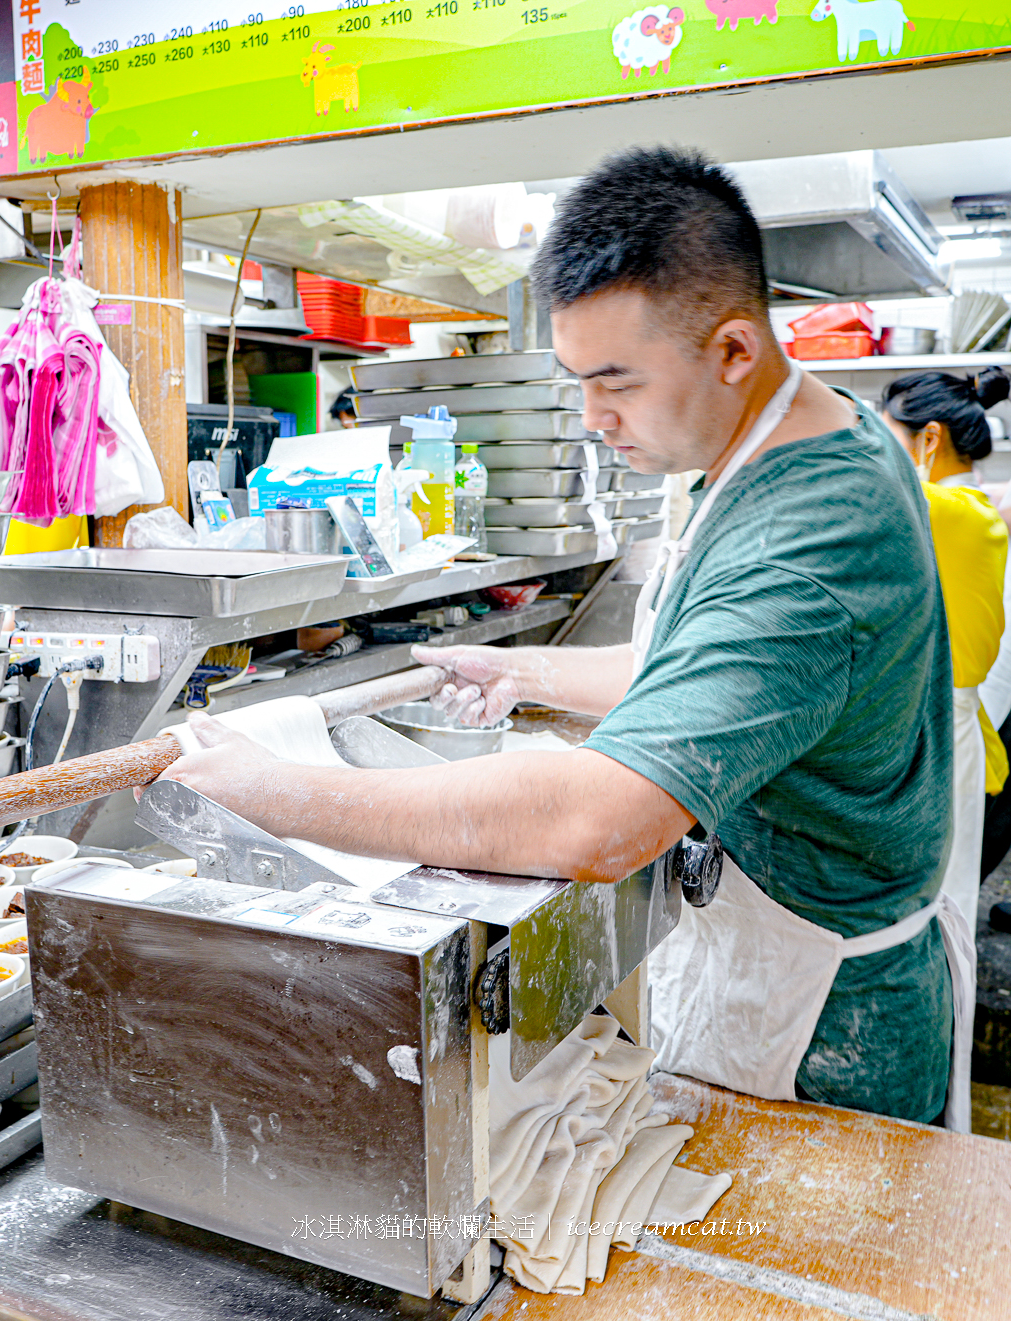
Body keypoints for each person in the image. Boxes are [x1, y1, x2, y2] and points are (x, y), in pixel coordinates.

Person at [161, 146, 970, 1129]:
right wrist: (519, 667)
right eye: (576, 380)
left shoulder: (810, 543)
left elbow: (597, 821)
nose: (593, 419)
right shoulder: (779, 435)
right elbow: (689, 666)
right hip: (785, 955)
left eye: (617, 382)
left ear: (731, 351)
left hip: (820, 1021)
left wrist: (282, 794)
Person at [879, 370, 1010, 911]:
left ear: (929, 439)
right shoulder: (965, 511)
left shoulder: (949, 512)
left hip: (936, 742)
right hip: (937, 734)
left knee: (931, 913)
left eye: (886, 441)